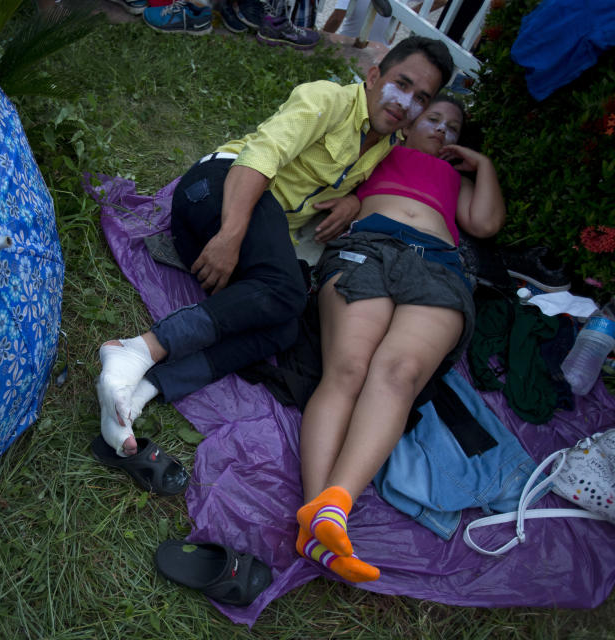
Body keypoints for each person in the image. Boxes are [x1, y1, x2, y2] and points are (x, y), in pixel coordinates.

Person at [94, 37, 455, 470]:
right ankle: (137, 349)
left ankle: (144, 389)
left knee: (284, 329)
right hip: (214, 192)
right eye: (402, 83)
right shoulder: (329, 100)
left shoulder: (383, 147)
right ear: (374, 75)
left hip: (246, 233)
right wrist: (230, 235)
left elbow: (355, 188)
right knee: (288, 289)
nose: (405, 102)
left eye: (421, 98)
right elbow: (259, 157)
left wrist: (353, 201)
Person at [295, 94, 505, 582]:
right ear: (409, 123)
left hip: (439, 266)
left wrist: (483, 165)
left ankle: (334, 509)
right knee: (348, 368)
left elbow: (486, 223)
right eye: (433, 119)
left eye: (453, 128)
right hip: (369, 246)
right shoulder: (382, 149)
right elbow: (337, 178)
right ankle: (316, 521)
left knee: (400, 373)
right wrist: (352, 199)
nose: (441, 131)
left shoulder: (458, 178)